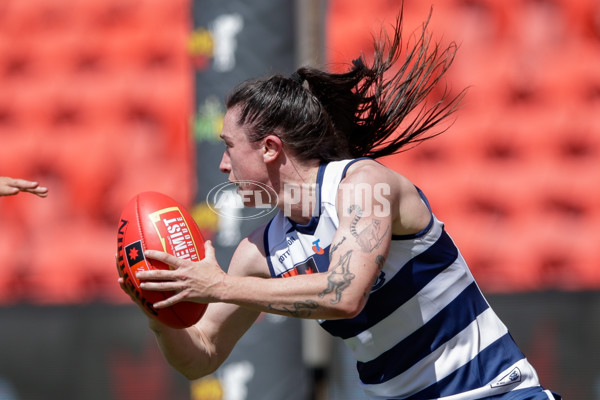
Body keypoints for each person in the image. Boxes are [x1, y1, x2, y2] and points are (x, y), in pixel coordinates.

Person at [123, 9, 561, 400]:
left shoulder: (363, 185)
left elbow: (344, 293)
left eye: (229, 147)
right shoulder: (259, 250)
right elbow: (201, 355)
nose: (221, 165)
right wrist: (159, 310)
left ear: (270, 148)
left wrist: (219, 286)